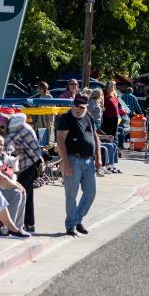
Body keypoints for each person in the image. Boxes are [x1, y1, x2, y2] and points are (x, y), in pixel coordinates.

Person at [56, 93, 101, 237]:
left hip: (89, 160)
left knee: (91, 193)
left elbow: (95, 136)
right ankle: (71, 225)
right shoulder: (66, 118)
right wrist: (66, 162)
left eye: (81, 107)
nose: (77, 109)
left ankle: (77, 220)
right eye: (75, 105)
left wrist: (99, 157)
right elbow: (60, 141)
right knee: (71, 195)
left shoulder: (88, 116)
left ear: (86, 107)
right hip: (73, 159)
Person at [5, 112, 41, 233]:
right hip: (34, 164)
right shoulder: (25, 126)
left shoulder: (18, 129)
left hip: (29, 166)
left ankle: (16, 224)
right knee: (28, 195)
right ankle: (30, 224)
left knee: (19, 194)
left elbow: (4, 143)